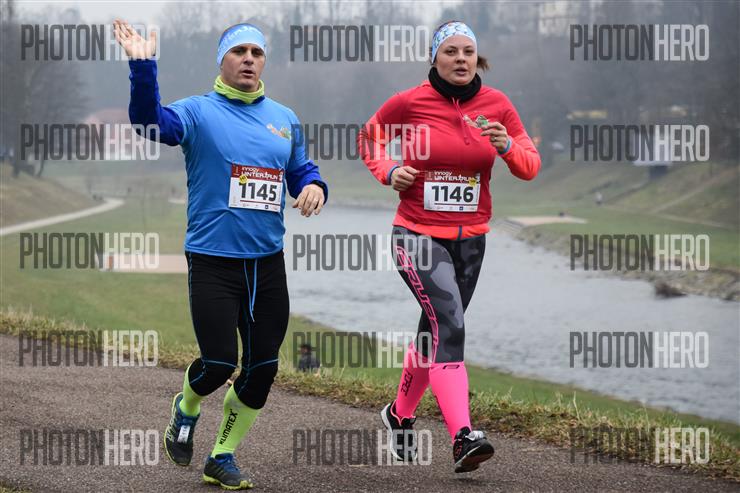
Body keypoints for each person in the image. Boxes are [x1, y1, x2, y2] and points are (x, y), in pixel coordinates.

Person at [114, 20, 328, 490]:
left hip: (267, 264)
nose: (249, 59)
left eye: (257, 52)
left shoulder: (284, 118)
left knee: (263, 369)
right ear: (222, 60)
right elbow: (150, 122)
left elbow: (300, 169)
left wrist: (314, 186)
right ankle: (186, 406)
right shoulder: (198, 112)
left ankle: (221, 456)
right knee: (218, 364)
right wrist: (142, 66)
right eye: (239, 51)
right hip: (212, 259)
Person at [359, 20, 540, 473]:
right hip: (417, 234)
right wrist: (388, 170)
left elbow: (530, 166)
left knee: (436, 331)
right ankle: (463, 436)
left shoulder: (497, 105)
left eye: (468, 52)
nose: (460, 59)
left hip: (471, 240)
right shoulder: (410, 102)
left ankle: (398, 415)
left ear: (477, 59)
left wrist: (506, 146)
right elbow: (370, 137)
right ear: (434, 58)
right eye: (451, 51)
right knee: (451, 325)